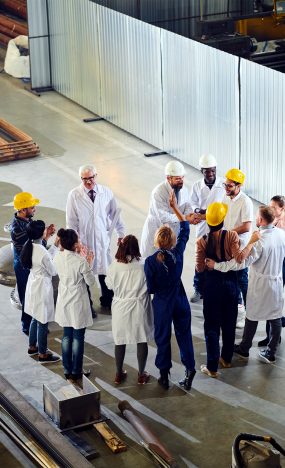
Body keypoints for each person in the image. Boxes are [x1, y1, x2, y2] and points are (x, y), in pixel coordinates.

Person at [208, 205, 285, 364]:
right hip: (276, 281)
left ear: (261, 220)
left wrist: (217, 266)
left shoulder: (259, 240)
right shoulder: (282, 235)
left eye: (257, 216)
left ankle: (244, 348)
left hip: (260, 283)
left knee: (252, 316)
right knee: (275, 316)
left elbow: (240, 263)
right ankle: (271, 352)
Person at [144, 191, 196, 391]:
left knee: (163, 337)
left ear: (157, 242)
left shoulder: (150, 262)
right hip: (180, 300)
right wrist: (175, 208)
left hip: (163, 303)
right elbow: (185, 228)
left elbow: (150, 287)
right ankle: (189, 368)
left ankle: (164, 375)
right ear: (172, 241)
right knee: (184, 335)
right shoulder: (178, 253)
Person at [196, 202, 251, 377]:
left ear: (209, 222)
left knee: (211, 327)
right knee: (229, 323)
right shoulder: (232, 236)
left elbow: (199, 268)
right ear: (222, 219)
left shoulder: (201, 241)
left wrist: (210, 264)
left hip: (212, 286)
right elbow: (239, 259)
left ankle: (212, 367)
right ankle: (226, 359)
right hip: (230, 285)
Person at [66, 164, 125, 310]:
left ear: (96, 176)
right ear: (81, 178)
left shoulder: (106, 192)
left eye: (91, 178)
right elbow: (71, 221)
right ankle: (88, 305)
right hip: (83, 242)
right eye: (84, 179)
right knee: (85, 274)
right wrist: (74, 243)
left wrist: (121, 233)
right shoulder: (74, 195)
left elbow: (115, 214)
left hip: (101, 240)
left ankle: (107, 299)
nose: (88, 182)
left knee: (104, 271)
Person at [105, 235, 153, 385]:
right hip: (139, 306)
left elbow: (109, 285)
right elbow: (150, 284)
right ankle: (141, 374)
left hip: (121, 307)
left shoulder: (114, 265)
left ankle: (119, 374)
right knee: (141, 339)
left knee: (120, 340)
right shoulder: (143, 264)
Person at [10, 192, 55, 334]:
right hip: (24, 267)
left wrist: (44, 235)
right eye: (32, 206)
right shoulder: (17, 229)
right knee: (26, 296)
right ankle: (27, 325)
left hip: (29, 263)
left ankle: (35, 323)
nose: (35, 208)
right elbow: (33, 249)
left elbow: (34, 244)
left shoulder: (26, 221)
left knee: (33, 295)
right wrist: (44, 236)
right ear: (23, 209)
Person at [54, 228, 95, 380]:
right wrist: (90, 262)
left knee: (66, 336)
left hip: (64, 298)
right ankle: (77, 370)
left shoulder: (58, 256)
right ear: (74, 244)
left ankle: (67, 369)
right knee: (78, 337)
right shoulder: (80, 261)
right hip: (77, 300)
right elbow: (90, 281)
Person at [140, 160, 200, 258]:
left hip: (173, 234)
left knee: (170, 262)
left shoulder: (183, 189)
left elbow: (187, 206)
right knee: (152, 265)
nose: (181, 181)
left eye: (182, 178)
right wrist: (185, 218)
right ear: (168, 178)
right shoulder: (158, 192)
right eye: (177, 179)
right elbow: (163, 217)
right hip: (156, 231)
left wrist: (190, 216)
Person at [20, 220, 60, 363]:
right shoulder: (41, 250)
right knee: (42, 321)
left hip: (33, 283)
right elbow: (53, 270)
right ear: (41, 233)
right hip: (42, 287)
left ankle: (32, 346)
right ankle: (43, 353)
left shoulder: (29, 245)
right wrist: (55, 249)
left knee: (35, 317)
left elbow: (43, 258)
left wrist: (53, 245)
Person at [190, 154, 225, 303]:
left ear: (215, 169)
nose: (210, 174)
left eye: (212, 171)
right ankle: (198, 289)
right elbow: (192, 203)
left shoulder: (223, 184)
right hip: (203, 227)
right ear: (201, 171)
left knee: (218, 257)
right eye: (206, 171)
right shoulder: (197, 186)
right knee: (201, 258)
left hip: (218, 227)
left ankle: (213, 289)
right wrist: (198, 210)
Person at [222, 169, 253, 328]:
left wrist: (228, 233)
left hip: (239, 249)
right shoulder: (226, 198)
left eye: (229, 185)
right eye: (225, 184)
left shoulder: (245, 202)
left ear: (238, 185)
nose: (226, 188)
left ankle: (250, 315)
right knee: (231, 281)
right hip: (228, 246)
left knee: (242, 281)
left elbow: (247, 226)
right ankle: (236, 311)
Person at [258, 195, 285, 347]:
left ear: (283, 208)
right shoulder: (272, 220)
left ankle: (275, 333)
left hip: (283, 261)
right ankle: (271, 336)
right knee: (272, 298)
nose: (272, 210)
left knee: (275, 299)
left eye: (275, 208)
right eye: (271, 207)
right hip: (275, 260)